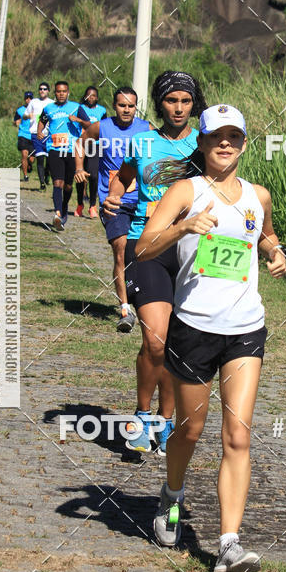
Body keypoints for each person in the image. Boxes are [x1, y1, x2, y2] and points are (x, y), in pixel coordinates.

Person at [135, 103, 286, 572]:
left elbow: (265, 234)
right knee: (190, 430)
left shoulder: (258, 195)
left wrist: (275, 252)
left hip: (245, 328)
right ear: (201, 143)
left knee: (237, 434)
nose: (225, 143)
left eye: (233, 136)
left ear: (244, 144)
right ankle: (171, 495)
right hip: (194, 327)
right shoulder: (186, 190)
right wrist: (183, 226)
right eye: (216, 136)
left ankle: (228, 544)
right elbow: (143, 247)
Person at [104, 71, 207, 455]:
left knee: (176, 346)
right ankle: (141, 415)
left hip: (192, 249)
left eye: (185, 101)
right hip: (146, 244)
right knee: (155, 339)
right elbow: (123, 176)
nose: (178, 108)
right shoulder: (143, 142)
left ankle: (165, 423)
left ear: (193, 104)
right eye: (171, 100)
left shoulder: (206, 143)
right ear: (159, 104)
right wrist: (114, 196)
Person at [75, 86, 149, 332]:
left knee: (142, 253)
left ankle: (145, 300)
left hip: (142, 200)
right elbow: (81, 143)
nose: (126, 110)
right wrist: (79, 168)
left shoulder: (147, 129)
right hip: (113, 200)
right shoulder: (102, 127)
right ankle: (125, 311)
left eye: (131, 106)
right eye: (121, 105)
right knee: (121, 250)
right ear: (114, 106)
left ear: (136, 107)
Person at [37, 80, 82, 231]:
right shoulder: (48, 108)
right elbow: (42, 121)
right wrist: (39, 132)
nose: (61, 94)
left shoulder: (76, 107)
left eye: (64, 91)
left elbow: (88, 124)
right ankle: (57, 214)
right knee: (58, 182)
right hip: (54, 149)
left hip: (71, 150)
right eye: (58, 91)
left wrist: (78, 120)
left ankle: (64, 206)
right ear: (55, 93)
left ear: (68, 92)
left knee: (68, 185)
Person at [71, 86, 107, 218]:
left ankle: (92, 205)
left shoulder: (102, 110)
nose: (91, 98)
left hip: (96, 146)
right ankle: (80, 204)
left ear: (97, 97)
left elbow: (104, 127)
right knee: (80, 175)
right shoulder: (79, 108)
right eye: (88, 95)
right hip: (81, 144)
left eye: (93, 95)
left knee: (94, 175)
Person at [24, 82, 53, 189]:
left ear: (48, 91)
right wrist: (28, 116)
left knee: (49, 160)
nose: (42, 91)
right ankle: (42, 183)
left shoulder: (52, 103)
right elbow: (24, 115)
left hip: (49, 134)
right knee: (40, 158)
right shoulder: (33, 102)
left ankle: (47, 174)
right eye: (40, 89)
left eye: (44, 89)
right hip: (36, 134)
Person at [14, 91, 35, 181]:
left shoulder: (37, 109)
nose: (28, 100)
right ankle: (25, 176)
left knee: (31, 159)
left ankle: (29, 164)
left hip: (33, 135)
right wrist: (17, 123)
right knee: (24, 155)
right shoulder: (20, 110)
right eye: (27, 98)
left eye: (30, 98)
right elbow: (16, 120)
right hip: (23, 135)